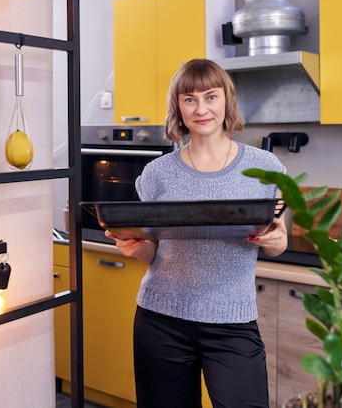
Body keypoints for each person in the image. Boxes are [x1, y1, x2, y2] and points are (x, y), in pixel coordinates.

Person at [105, 58, 288, 408]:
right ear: (178, 107)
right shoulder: (157, 173)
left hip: (231, 322)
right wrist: (134, 246)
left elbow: (279, 239)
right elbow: (154, 252)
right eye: (189, 99)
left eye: (211, 96)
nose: (201, 108)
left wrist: (276, 241)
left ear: (226, 101)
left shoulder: (265, 169)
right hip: (161, 321)